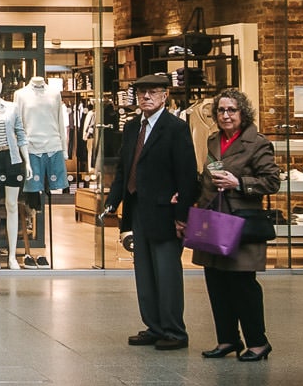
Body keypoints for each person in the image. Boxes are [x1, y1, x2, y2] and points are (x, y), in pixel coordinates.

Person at [102, 73, 199, 351]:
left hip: (165, 212)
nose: (146, 97)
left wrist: (182, 215)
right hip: (138, 208)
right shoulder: (133, 127)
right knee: (144, 271)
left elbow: (187, 174)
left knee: (167, 272)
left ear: (164, 95)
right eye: (142, 92)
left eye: (152, 92)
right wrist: (113, 199)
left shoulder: (175, 128)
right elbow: (125, 168)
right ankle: (154, 326)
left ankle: (174, 331)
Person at [191, 89, 280, 361]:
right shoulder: (213, 140)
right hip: (214, 221)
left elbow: (272, 182)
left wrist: (239, 183)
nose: (226, 115)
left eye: (231, 110)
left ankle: (257, 342)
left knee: (243, 286)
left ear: (243, 113)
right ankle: (228, 339)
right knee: (216, 283)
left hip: (241, 224)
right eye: (221, 110)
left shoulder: (257, 143)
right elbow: (206, 178)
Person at [13, 75, 68, 268]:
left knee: (48, 193)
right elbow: (17, 125)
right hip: (31, 148)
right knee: (31, 194)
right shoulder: (20, 95)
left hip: (53, 145)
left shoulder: (54, 94)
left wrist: (65, 149)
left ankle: (43, 252)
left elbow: (60, 121)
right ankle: (30, 251)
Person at [0, 73, 30, 270]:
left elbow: (21, 134)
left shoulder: (12, 107)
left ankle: (12, 257)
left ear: (2, 85)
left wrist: (28, 162)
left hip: (12, 158)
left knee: (12, 205)